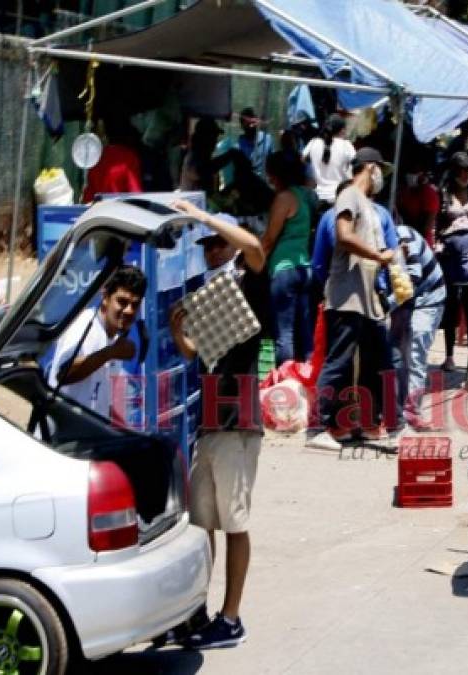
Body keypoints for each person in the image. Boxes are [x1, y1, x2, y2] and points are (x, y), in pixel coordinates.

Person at [169, 201, 267, 650]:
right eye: (207, 246)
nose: (212, 251)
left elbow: (255, 246)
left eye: (218, 244)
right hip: (209, 423)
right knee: (202, 523)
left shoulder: (249, 282)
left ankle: (231, 618)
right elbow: (196, 355)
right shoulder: (212, 292)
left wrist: (204, 216)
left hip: (238, 422)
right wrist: (177, 333)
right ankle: (198, 612)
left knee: (235, 521)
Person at [307, 148, 397, 452]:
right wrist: (377, 256)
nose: (380, 176)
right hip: (346, 297)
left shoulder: (370, 207)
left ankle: (390, 424)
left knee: (382, 361)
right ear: (369, 168)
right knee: (338, 363)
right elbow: (344, 236)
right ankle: (317, 427)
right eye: (379, 169)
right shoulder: (348, 197)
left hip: (367, 299)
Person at [48, 265, 146, 418]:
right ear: (105, 297)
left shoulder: (113, 339)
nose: (129, 311)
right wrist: (110, 353)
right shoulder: (83, 326)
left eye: (135, 305)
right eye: (122, 302)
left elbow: (102, 404)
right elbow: (62, 374)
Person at [389, 225, 446, 430]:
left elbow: (410, 282)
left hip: (428, 299)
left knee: (414, 354)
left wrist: (385, 305)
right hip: (405, 300)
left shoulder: (405, 237)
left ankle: (412, 411)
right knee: (397, 354)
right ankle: (396, 405)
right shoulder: (376, 241)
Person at [262, 151, 316, 365]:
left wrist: (249, 260)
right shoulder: (305, 196)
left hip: (285, 269)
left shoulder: (284, 198)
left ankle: (285, 384)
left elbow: (269, 239)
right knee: (304, 333)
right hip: (304, 268)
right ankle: (307, 380)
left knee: (283, 334)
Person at [437, 151, 468, 372]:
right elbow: (436, 223)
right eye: (462, 169)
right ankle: (449, 355)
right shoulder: (444, 193)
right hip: (449, 253)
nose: (465, 174)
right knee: (451, 304)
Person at [82, 115, 143, 202]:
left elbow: (88, 199)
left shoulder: (95, 158)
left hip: (98, 212)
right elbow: (135, 195)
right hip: (121, 212)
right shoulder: (127, 157)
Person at [302, 114, 355, 212]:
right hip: (340, 198)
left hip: (318, 198)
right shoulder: (346, 145)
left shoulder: (314, 142)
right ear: (342, 130)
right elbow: (355, 164)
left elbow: (302, 159)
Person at [396, 150, 440, 246]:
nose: (411, 174)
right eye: (410, 171)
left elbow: (425, 227)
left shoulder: (430, 194)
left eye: (415, 171)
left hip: (421, 243)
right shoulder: (403, 190)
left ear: (422, 173)